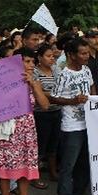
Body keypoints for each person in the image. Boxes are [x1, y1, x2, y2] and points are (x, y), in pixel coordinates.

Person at [0, 48, 50, 195]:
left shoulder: (34, 82)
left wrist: (33, 85)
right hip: (9, 131)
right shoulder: (4, 82)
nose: (31, 65)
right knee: (5, 170)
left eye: (33, 61)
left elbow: (45, 105)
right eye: (27, 61)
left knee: (26, 167)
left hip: (28, 131)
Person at [51, 38, 96, 195]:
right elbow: (53, 98)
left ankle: (78, 192)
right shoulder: (64, 74)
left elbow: (92, 88)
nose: (87, 56)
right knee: (68, 165)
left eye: (87, 52)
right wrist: (73, 100)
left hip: (89, 123)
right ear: (71, 55)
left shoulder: (86, 70)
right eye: (83, 53)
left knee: (85, 161)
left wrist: (95, 102)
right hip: (71, 126)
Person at [33, 44, 62, 181]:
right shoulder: (34, 72)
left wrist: (48, 94)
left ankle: (52, 171)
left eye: (53, 56)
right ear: (39, 57)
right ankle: (35, 175)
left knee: (54, 143)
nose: (52, 59)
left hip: (57, 111)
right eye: (48, 56)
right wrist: (52, 94)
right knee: (40, 145)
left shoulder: (56, 70)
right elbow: (37, 92)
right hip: (41, 114)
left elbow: (62, 88)